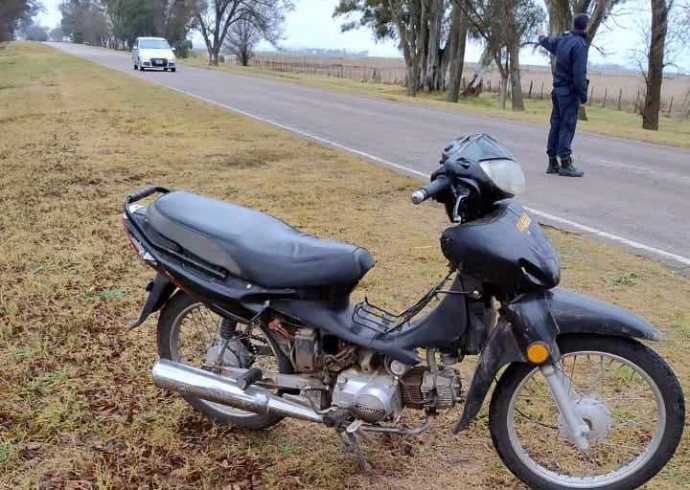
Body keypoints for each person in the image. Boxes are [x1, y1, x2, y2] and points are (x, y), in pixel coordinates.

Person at [538, 14, 590, 177]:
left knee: (556, 124)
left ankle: (552, 161)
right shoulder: (580, 45)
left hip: (557, 90)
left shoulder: (563, 40)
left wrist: (540, 36)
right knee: (567, 125)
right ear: (586, 27)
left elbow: (548, 42)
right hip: (569, 91)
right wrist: (583, 95)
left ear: (574, 25)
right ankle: (565, 162)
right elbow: (579, 74)